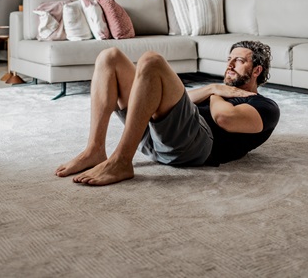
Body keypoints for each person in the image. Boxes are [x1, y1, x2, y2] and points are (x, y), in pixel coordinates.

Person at [55, 40, 280, 186]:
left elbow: (225, 118)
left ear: (256, 71)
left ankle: (122, 160)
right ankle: (94, 149)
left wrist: (215, 93)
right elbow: (176, 98)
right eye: (228, 59)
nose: (229, 65)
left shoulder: (266, 106)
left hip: (197, 145)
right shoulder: (216, 89)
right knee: (109, 56)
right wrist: (212, 87)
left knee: (152, 61)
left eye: (238, 61)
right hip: (155, 134)